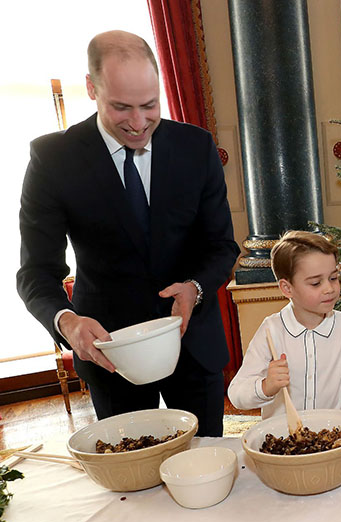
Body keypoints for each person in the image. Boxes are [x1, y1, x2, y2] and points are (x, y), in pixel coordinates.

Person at [17, 30, 239, 437]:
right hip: (109, 355)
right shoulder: (53, 160)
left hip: (193, 348)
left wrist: (195, 287)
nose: (139, 124)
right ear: (91, 88)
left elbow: (221, 246)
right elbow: (34, 273)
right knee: (132, 485)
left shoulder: (197, 148)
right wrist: (67, 323)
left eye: (150, 105)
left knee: (207, 474)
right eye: (122, 108)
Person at [228, 231, 341, 420]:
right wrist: (266, 386)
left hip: (333, 434)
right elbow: (237, 394)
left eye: (333, 278)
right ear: (287, 288)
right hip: (284, 442)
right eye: (315, 283)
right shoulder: (271, 330)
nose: (329, 288)